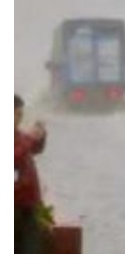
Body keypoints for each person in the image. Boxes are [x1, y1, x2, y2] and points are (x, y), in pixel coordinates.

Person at [15, 94, 48, 254]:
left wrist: (40, 136)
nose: (19, 119)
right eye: (16, 114)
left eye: (21, 114)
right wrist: (30, 138)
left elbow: (34, 149)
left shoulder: (18, 135)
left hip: (29, 205)